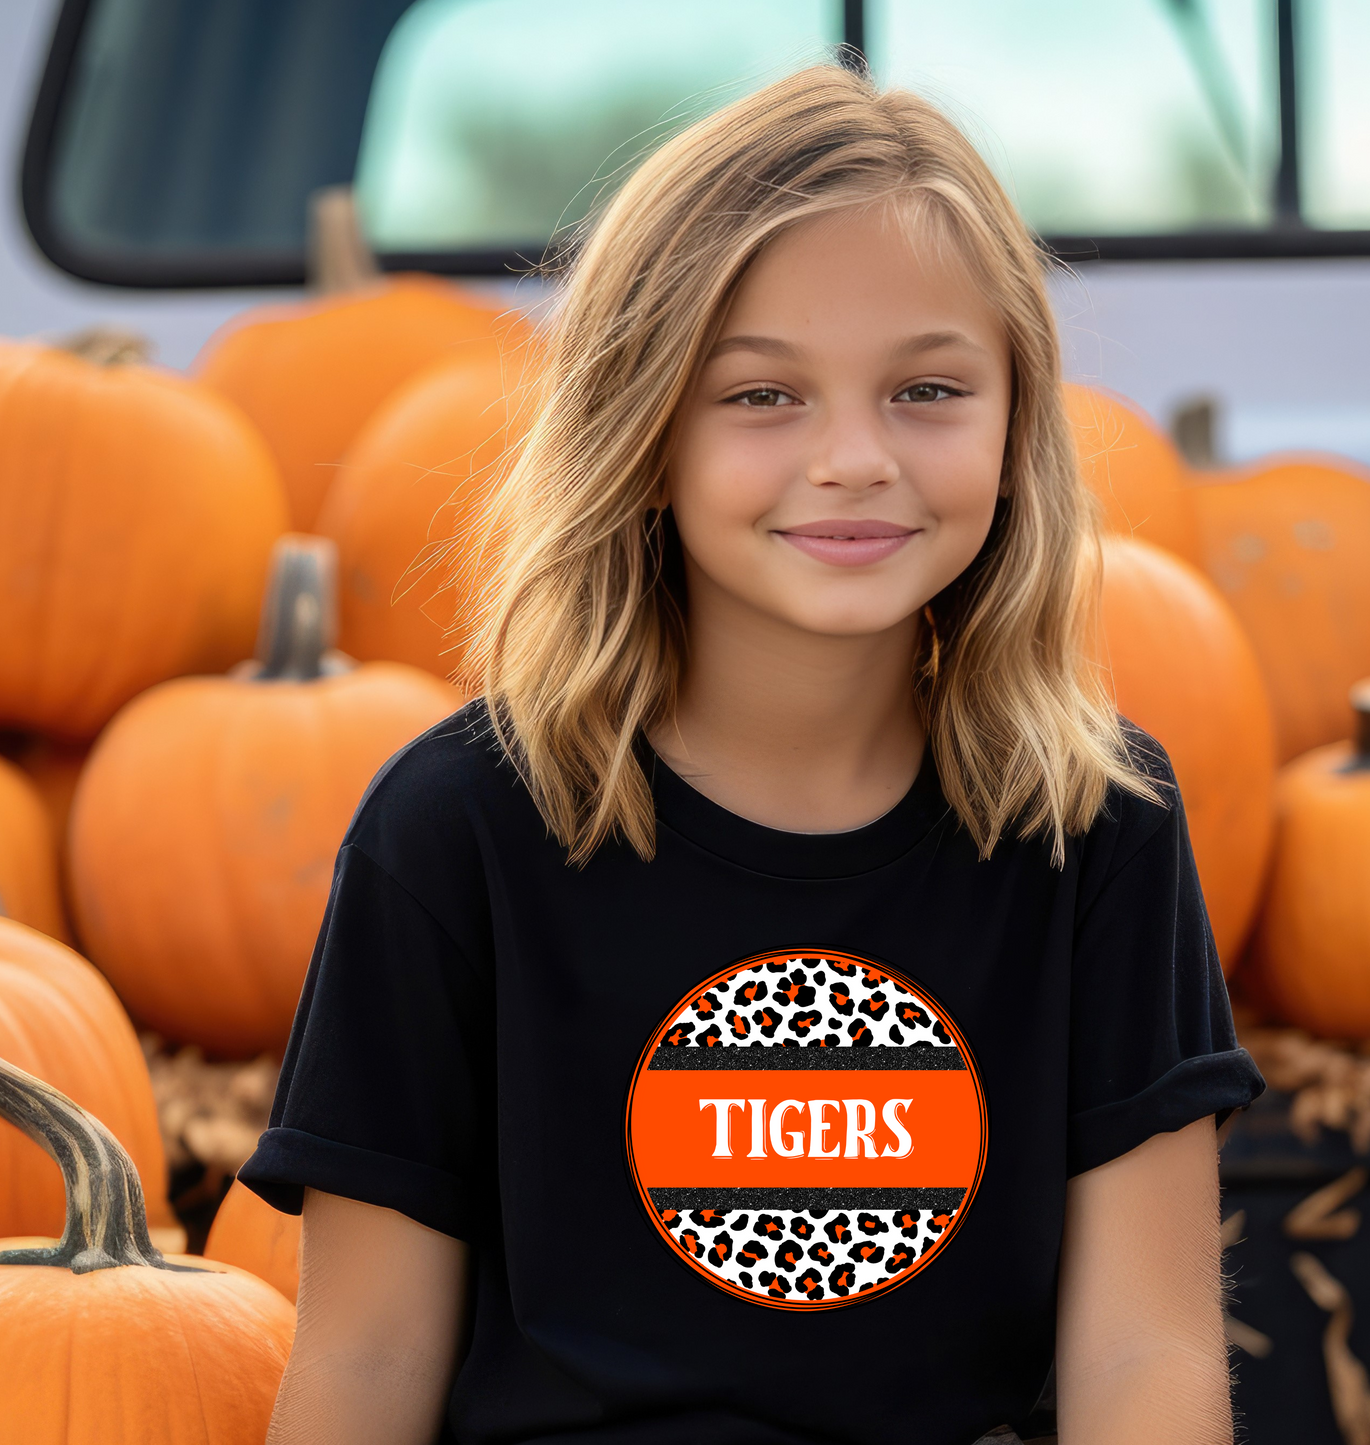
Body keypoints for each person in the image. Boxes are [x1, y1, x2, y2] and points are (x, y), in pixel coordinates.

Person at [238, 63, 1264, 1445]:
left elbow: (1146, 1356)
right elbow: (363, 1368)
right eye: (764, 397)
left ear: (1019, 424)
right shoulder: (458, 832)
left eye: (929, 390)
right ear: (642, 427)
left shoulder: (1095, 829)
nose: (853, 457)